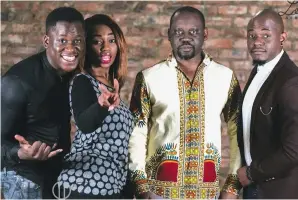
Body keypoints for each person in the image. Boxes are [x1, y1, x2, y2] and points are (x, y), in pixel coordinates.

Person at [129, 6, 242, 199]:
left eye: (194, 31)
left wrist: (232, 185)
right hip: (158, 193)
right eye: (179, 32)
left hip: (207, 195)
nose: (186, 37)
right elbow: (137, 133)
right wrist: (141, 186)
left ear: (205, 34)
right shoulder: (149, 78)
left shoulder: (225, 77)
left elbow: (237, 131)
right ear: (169, 35)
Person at [1, 7, 85, 199]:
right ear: (47, 41)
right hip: (22, 177)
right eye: (62, 40)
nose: (71, 48)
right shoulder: (17, 83)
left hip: (55, 176)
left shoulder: (69, 74)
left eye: (77, 41)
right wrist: (20, 153)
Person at [57, 14, 134, 199]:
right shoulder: (82, 82)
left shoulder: (111, 88)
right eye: (97, 41)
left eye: (111, 40)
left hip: (111, 186)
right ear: (86, 47)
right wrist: (101, 105)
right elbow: (84, 122)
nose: (105, 48)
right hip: (84, 185)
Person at [237, 8, 298, 199]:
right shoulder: (260, 71)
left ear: (282, 37)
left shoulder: (290, 81)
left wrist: (250, 173)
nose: (257, 42)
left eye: (266, 35)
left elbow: (293, 149)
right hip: (255, 189)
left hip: (278, 192)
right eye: (252, 35)